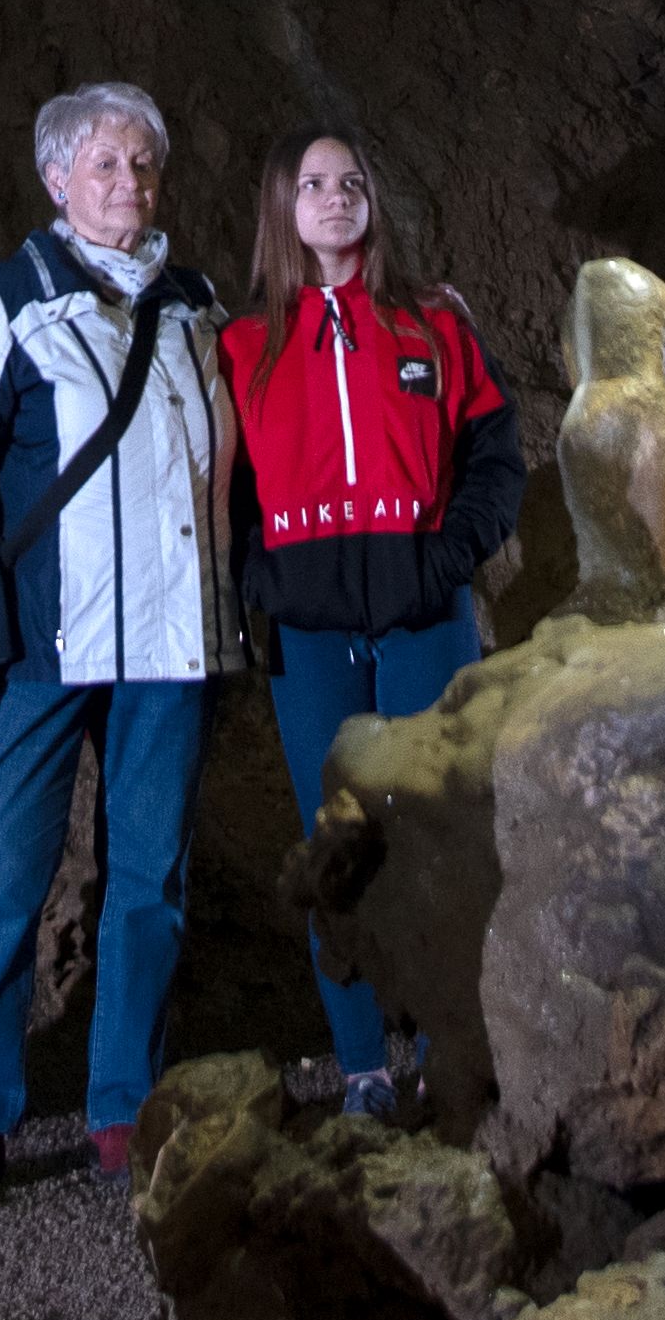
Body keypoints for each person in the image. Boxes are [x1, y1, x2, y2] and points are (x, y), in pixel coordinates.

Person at [0, 82, 233, 1200]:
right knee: (1, 875)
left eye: (142, 163)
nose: (127, 183)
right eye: (104, 163)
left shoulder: (195, 306)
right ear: (56, 179)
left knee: (150, 879)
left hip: (170, 644)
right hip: (43, 640)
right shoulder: (3, 300)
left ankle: (124, 1107)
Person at [217, 130, 518, 1124]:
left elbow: (495, 451)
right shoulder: (243, 346)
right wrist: (265, 575)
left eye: (351, 182)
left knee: (436, 836)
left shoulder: (433, 324)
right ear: (282, 206)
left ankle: (443, 1056)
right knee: (333, 842)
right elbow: (223, 488)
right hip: (310, 636)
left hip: (424, 617)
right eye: (312, 183)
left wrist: (448, 556)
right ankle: (362, 1070)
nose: (336, 197)